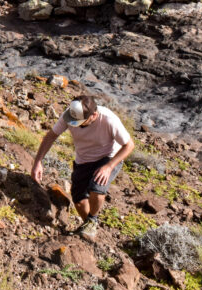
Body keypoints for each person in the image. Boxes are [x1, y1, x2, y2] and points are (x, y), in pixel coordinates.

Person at [31, 95, 134, 240]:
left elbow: (129, 145)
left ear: (94, 115)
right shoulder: (70, 115)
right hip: (83, 161)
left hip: (108, 157)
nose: (75, 125)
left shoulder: (109, 120)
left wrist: (109, 167)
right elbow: (50, 136)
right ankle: (89, 227)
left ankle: (92, 220)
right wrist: (38, 162)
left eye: (80, 122)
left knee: (97, 187)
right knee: (79, 201)